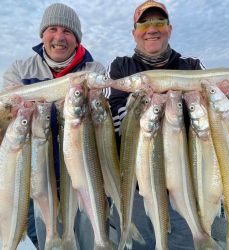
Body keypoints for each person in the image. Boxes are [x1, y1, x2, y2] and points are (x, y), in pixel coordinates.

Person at [2, 3, 105, 249]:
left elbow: (102, 118)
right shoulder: (20, 70)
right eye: (52, 29)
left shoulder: (93, 71)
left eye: (67, 31)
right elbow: (5, 115)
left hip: (82, 174)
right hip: (35, 174)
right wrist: (11, 110)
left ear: (77, 38)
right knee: (46, 238)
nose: (59, 37)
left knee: (86, 239)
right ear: (42, 35)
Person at [104, 0, 205, 249]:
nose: (152, 29)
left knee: (187, 241)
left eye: (159, 22)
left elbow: (206, 121)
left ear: (169, 29)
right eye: (144, 23)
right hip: (140, 184)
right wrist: (141, 104)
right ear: (134, 32)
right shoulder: (120, 68)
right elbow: (116, 121)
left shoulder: (191, 66)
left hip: (185, 181)